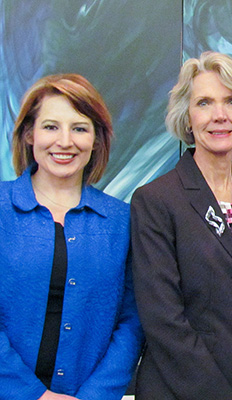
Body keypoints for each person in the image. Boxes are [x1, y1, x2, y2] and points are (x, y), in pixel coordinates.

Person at [130, 51, 232, 399]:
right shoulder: (155, 200)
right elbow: (163, 320)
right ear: (187, 117)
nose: (220, 115)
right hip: (180, 391)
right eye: (204, 103)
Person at [0, 74, 144, 400]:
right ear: (29, 134)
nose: (65, 141)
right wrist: (33, 395)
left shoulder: (122, 221)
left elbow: (132, 323)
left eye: (79, 128)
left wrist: (94, 396)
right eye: (51, 127)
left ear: (96, 140)